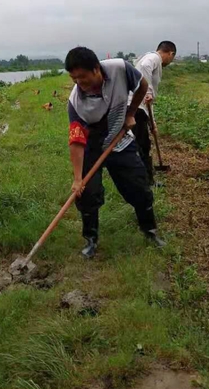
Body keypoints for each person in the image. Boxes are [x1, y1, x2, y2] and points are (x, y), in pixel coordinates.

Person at [65, 46, 165, 258]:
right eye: (74, 79)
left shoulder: (120, 69)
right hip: (91, 145)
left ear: (96, 69)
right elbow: (76, 141)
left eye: (82, 77)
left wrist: (130, 114)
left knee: (139, 186)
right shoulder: (76, 103)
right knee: (87, 193)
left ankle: (150, 231)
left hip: (119, 140)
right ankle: (91, 240)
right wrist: (77, 179)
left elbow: (142, 86)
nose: (79, 83)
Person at [134, 41, 176, 184]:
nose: (170, 62)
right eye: (172, 58)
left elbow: (148, 100)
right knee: (143, 145)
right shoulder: (153, 59)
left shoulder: (147, 58)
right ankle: (146, 181)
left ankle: (142, 178)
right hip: (137, 108)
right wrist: (148, 91)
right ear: (170, 53)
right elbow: (145, 69)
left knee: (139, 144)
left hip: (138, 107)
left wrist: (153, 122)